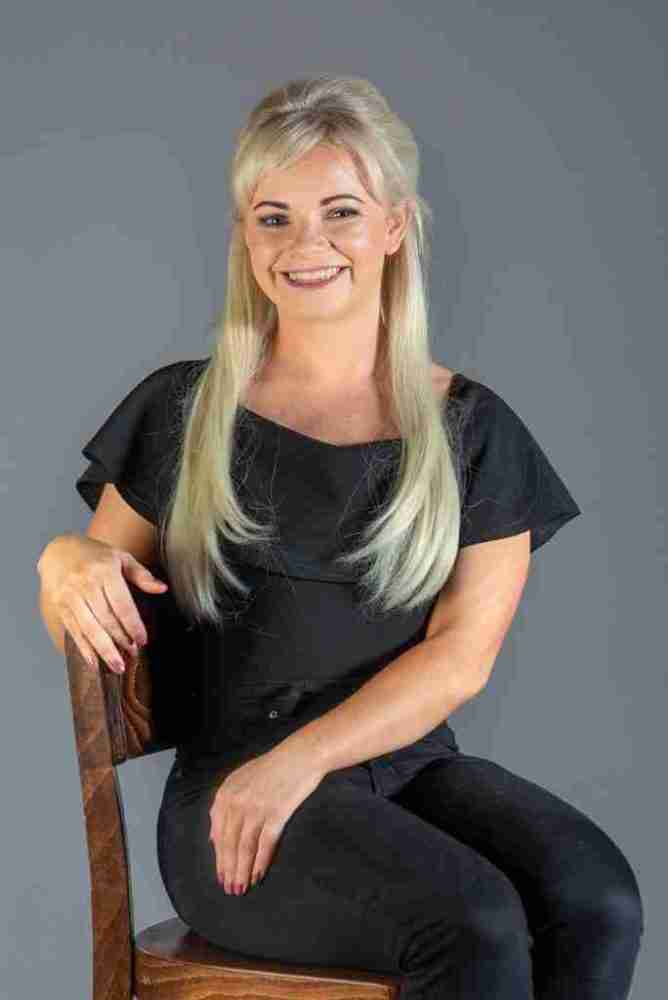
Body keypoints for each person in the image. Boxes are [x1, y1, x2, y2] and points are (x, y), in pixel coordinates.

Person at [37, 75, 644, 998]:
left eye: (341, 212)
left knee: (597, 902)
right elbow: (87, 611)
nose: (305, 244)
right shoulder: (184, 411)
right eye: (273, 218)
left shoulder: (473, 431)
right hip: (231, 802)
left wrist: (304, 761)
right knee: (472, 925)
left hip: (398, 772)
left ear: (394, 227)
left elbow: (460, 660)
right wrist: (63, 561)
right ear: (245, 238)